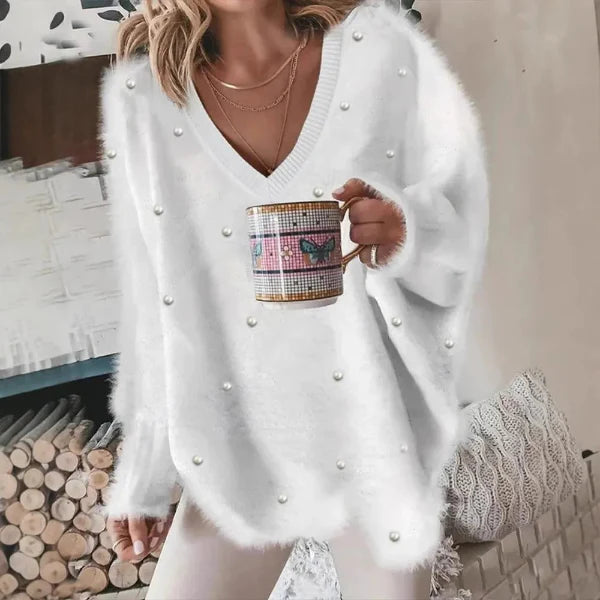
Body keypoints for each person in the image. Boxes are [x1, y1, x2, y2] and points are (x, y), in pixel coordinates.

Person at [99, 0, 489, 597]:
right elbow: (154, 303)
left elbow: (458, 233)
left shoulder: (377, 56)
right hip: (235, 441)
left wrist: (406, 231)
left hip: (373, 432)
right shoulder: (148, 99)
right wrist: (146, 470)